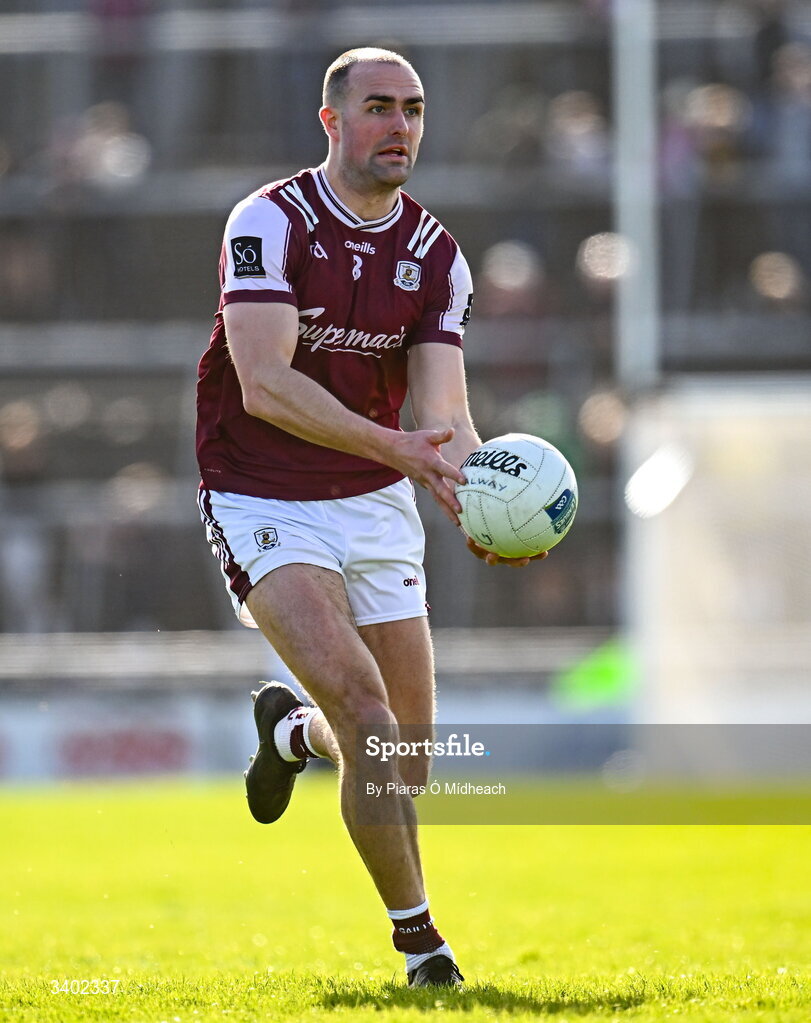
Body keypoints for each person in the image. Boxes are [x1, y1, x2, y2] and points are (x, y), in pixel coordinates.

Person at [195, 47, 546, 988]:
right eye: (380, 108)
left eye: (415, 110)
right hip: (259, 490)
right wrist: (401, 451)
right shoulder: (269, 220)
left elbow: (446, 418)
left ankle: (289, 736)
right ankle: (423, 946)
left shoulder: (434, 253)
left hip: (372, 503)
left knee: (399, 755)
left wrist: (479, 495)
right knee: (362, 702)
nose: (401, 127)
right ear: (332, 121)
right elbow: (265, 383)